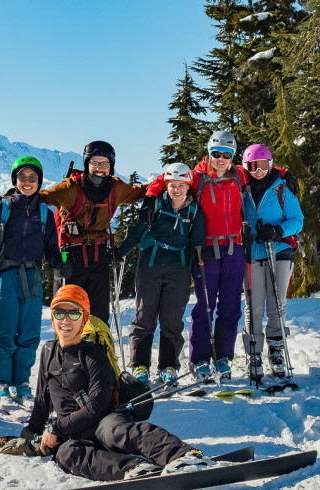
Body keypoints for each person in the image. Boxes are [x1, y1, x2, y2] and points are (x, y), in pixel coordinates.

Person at [19, 285, 214, 481]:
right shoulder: (48, 351)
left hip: (103, 421)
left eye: (74, 313)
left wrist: (56, 428)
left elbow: (97, 407)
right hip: (73, 433)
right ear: (53, 319)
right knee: (66, 454)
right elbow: (42, 401)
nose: (66, 320)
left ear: (84, 319)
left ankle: (183, 455)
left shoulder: (95, 355)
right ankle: (135, 469)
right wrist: (30, 433)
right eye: (59, 313)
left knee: (117, 433)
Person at [145, 130, 248, 381]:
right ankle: (200, 359)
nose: (221, 159)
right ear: (209, 153)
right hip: (206, 250)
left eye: (226, 154)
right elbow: (166, 179)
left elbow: (264, 171)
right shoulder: (197, 176)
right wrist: (150, 195)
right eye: (216, 154)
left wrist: (286, 175)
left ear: (232, 156)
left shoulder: (239, 176)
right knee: (205, 305)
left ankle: (223, 357)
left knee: (231, 306)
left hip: (235, 248)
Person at [0, 155, 63, 405]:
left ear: (39, 181)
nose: (27, 182)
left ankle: (22, 382)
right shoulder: (2, 207)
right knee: (4, 332)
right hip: (4, 275)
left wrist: (60, 262)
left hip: (33, 277)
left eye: (33, 178)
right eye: (22, 178)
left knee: (28, 333)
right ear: (15, 180)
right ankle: (1, 382)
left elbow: (51, 246)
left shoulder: (45, 212)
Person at [40, 140, 147, 324]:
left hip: (99, 258)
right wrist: (5, 200)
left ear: (111, 166)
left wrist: (168, 182)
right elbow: (42, 197)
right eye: (95, 163)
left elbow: (139, 193)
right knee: (68, 315)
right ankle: (68, 352)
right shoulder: (71, 187)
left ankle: (98, 351)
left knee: (98, 317)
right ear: (86, 164)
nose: (100, 168)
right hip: (70, 258)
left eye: (104, 163)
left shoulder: (116, 188)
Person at [116, 163, 204, 386]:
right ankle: (140, 365)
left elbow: (198, 241)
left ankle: (168, 366)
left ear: (188, 186)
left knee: (172, 319)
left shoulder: (193, 211)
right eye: (172, 185)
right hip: (151, 264)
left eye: (181, 185)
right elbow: (138, 230)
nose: (176, 190)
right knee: (145, 316)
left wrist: (202, 263)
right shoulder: (155, 205)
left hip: (179, 267)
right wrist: (120, 252)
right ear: (166, 185)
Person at [240, 144, 303, 384]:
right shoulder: (241, 188)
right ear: (246, 167)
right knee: (253, 305)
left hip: (280, 249)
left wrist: (278, 230)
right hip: (252, 250)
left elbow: (298, 220)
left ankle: (276, 349)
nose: (258, 171)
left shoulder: (282, 188)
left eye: (263, 166)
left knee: (277, 303)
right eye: (253, 166)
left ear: (270, 164)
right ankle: (253, 353)